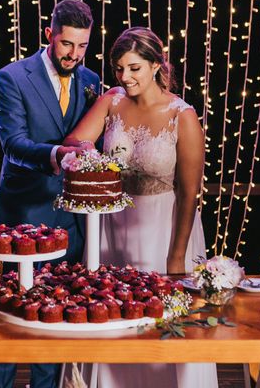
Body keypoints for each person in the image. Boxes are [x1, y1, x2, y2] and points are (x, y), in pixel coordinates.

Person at [64, 26, 218, 387]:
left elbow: (190, 192)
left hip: (162, 226)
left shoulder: (183, 115)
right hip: (112, 226)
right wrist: (86, 152)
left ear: (155, 65)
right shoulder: (112, 100)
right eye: (119, 68)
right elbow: (74, 140)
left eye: (134, 68)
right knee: (110, 310)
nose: (125, 77)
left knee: (160, 320)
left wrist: (177, 256)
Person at [0, 0, 100, 388]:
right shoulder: (12, 77)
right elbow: (14, 145)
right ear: (49, 35)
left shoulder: (92, 81)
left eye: (83, 46)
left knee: (57, 310)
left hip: (69, 219)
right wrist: (58, 154)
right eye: (67, 44)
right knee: (12, 310)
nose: (74, 54)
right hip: (23, 216)